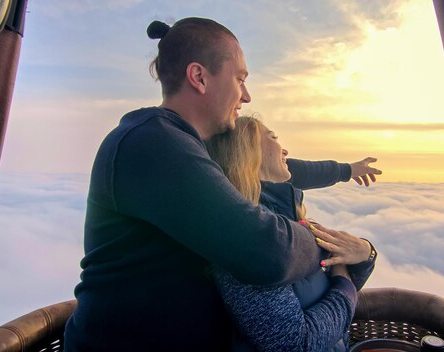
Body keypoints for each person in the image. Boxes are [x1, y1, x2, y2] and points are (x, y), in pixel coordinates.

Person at [64, 17, 381, 351]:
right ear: (199, 77)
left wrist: (345, 170)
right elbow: (267, 252)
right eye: (240, 78)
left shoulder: (190, 150)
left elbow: (278, 169)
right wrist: (326, 242)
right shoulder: (152, 143)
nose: (246, 95)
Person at [206, 116, 378, 351]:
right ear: (248, 150)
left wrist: (366, 254)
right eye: (274, 138)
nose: (285, 149)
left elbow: (331, 287)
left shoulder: (294, 223)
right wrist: (345, 285)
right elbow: (294, 345)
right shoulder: (247, 236)